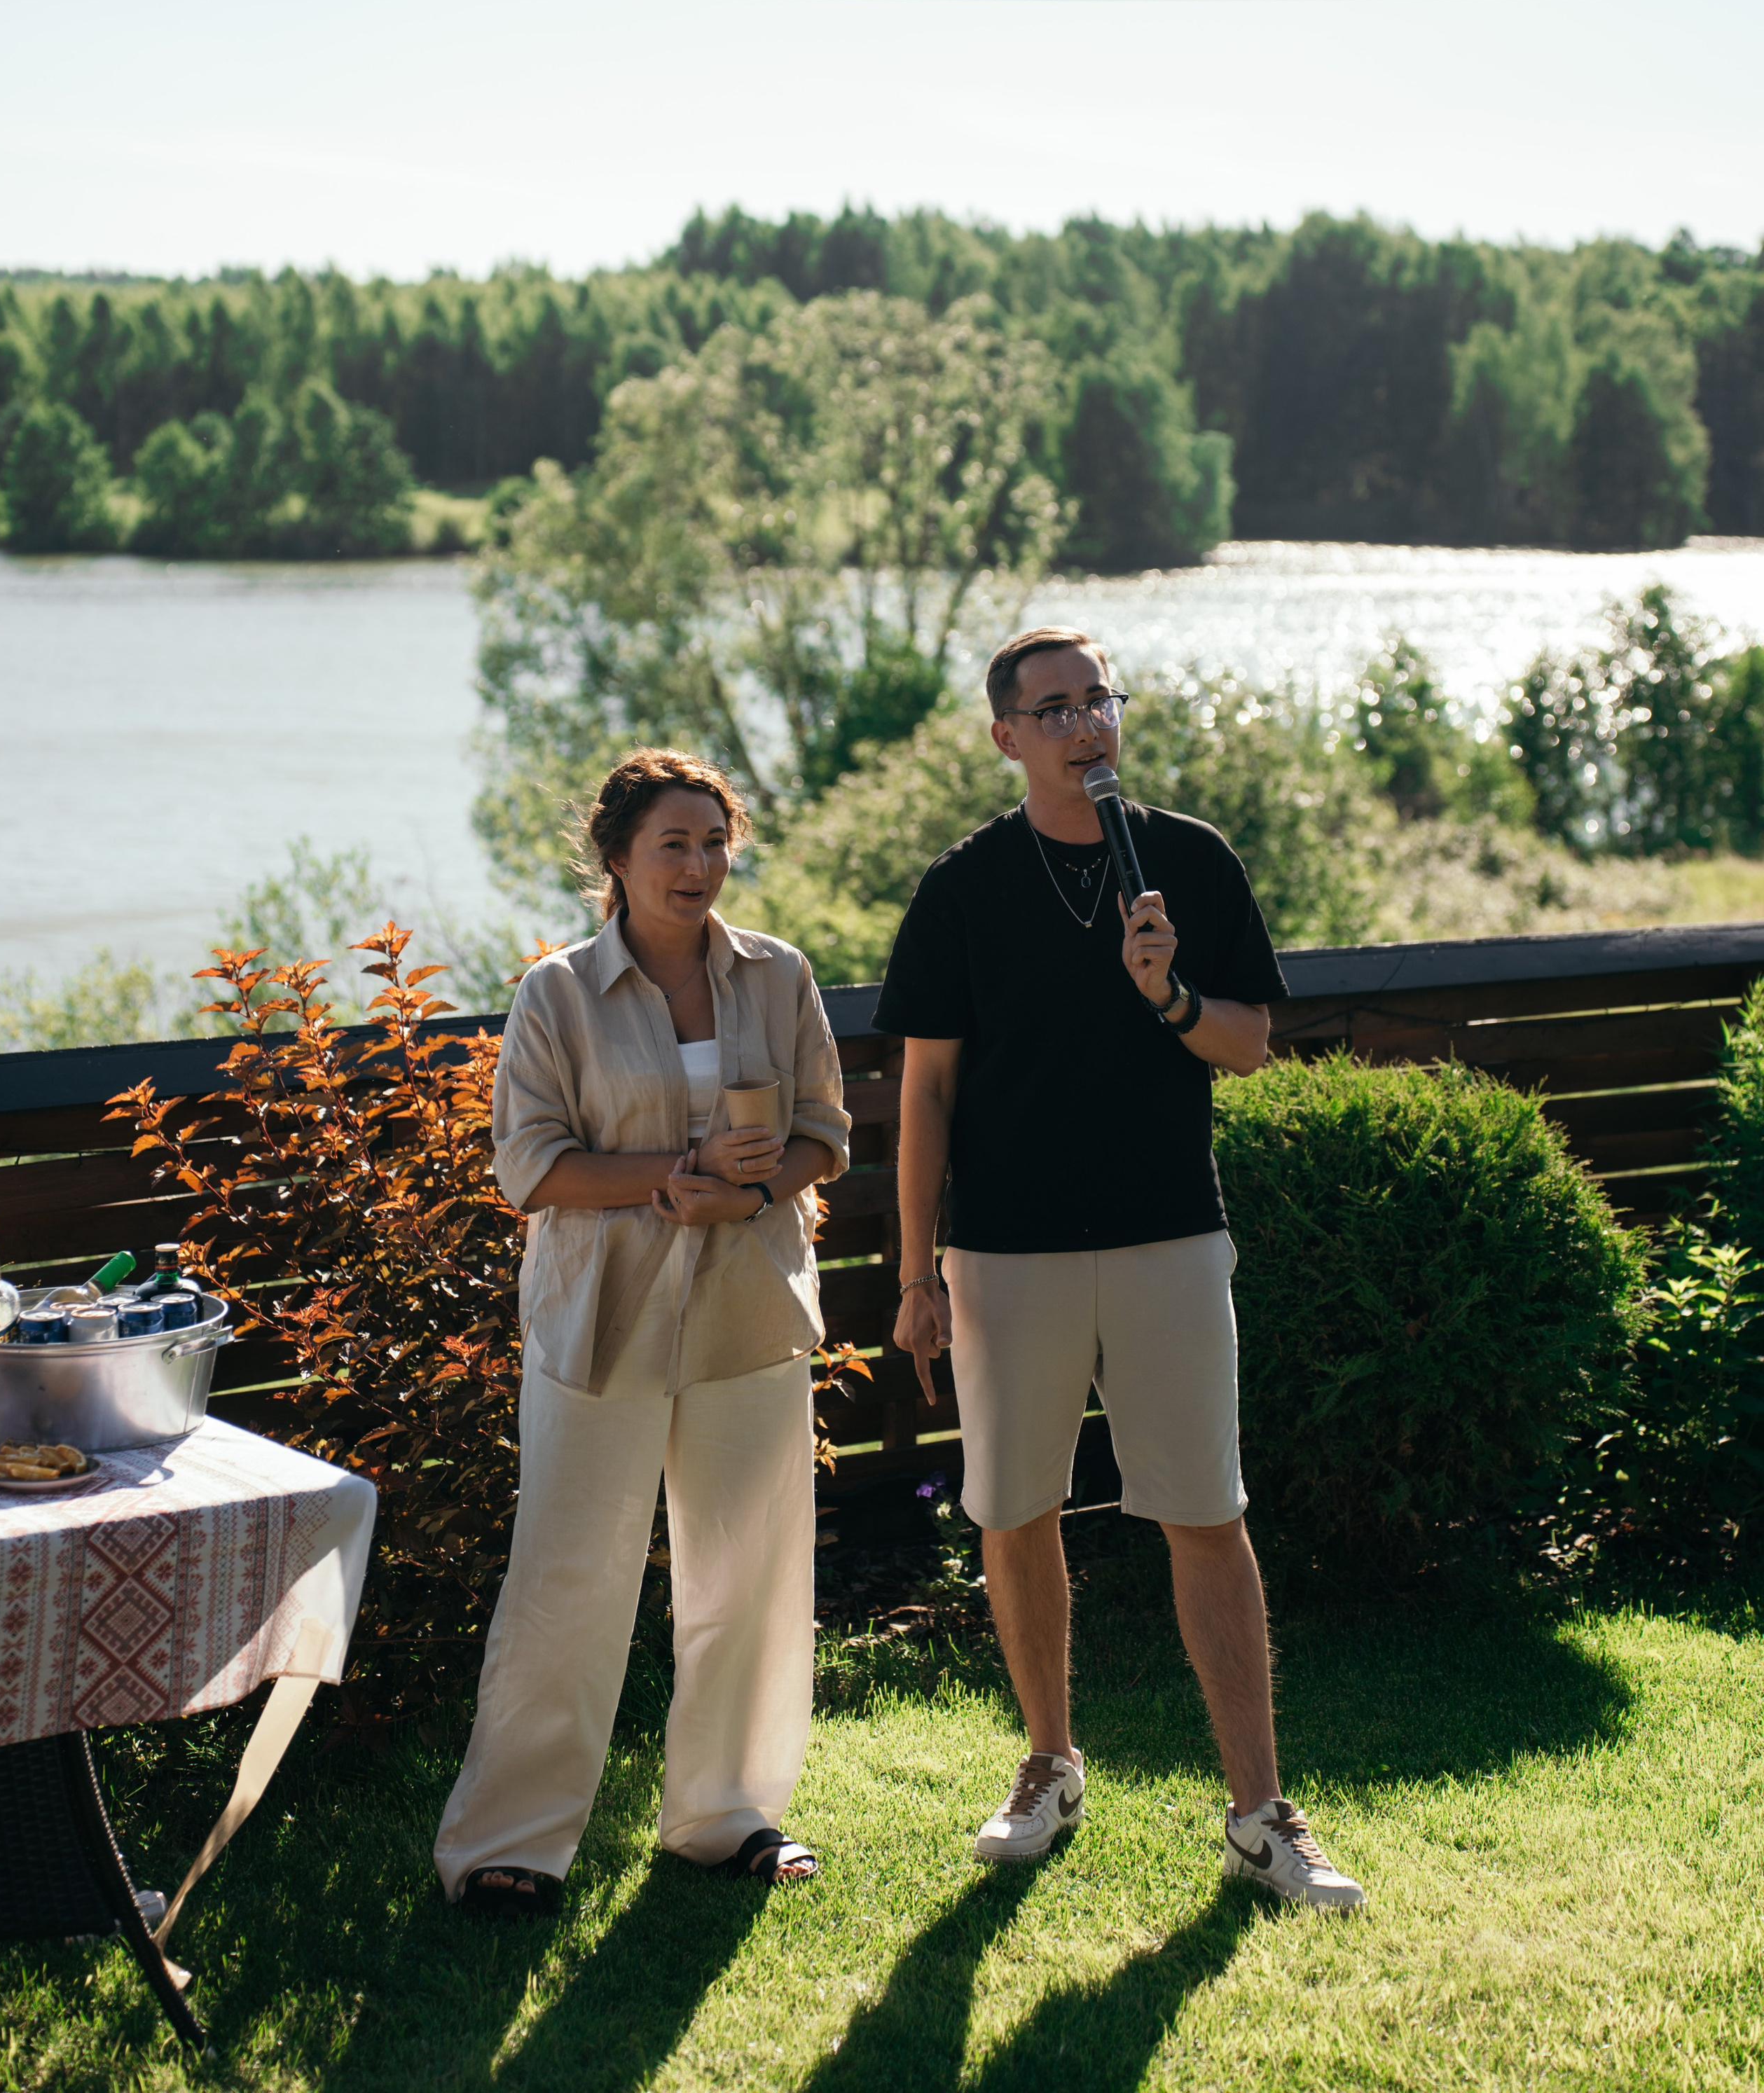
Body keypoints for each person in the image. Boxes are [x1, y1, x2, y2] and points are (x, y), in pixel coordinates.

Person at [878, 629, 1363, 1912]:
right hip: (1005, 1252)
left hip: (1168, 1237)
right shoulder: (964, 886)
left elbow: (1249, 1044)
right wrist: (918, 1272)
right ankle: (1049, 1764)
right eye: (1055, 709)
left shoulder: (1190, 859)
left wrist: (1170, 994)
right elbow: (925, 1094)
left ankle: (1260, 1814)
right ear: (1007, 736)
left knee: (1207, 1512)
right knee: (1015, 1512)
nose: (1086, 725)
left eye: (1100, 700)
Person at [433, 747, 850, 1914]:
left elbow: (825, 1133)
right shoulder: (556, 994)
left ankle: (727, 1817)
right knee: (567, 1583)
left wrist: (750, 1195)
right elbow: (531, 1168)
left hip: (750, 1312)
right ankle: (513, 1841)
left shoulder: (780, 975)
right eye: (674, 844)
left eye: (716, 843)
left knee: (747, 1575)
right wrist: (681, 1171)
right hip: (600, 1323)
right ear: (616, 858)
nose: (699, 865)